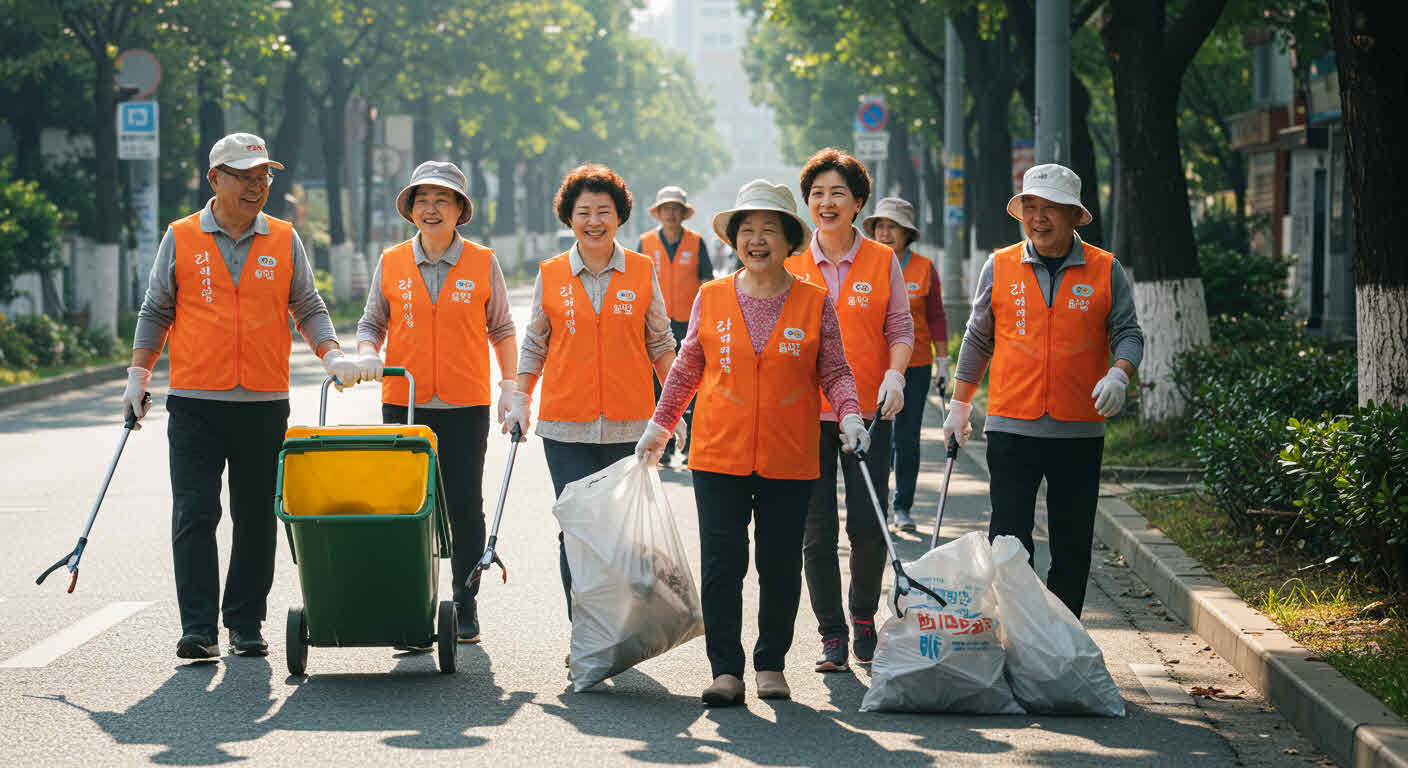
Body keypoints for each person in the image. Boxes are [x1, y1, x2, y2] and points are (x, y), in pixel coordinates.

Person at [124, 133, 356, 660]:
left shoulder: (282, 237)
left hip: (262, 402)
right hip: (195, 401)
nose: (258, 186)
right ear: (215, 179)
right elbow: (157, 309)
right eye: (247, 176)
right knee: (195, 512)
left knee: (255, 516)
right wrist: (138, 375)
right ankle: (200, 627)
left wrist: (332, 355)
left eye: (264, 176)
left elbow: (308, 307)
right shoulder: (181, 237)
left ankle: (246, 623)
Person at [637, 180, 866, 706]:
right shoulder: (711, 296)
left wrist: (850, 414)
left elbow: (834, 368)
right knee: (722, 564)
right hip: (719, 453)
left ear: (789, 241)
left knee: (780, 563)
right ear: (734, 240)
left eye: (769, 230)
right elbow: (687, 366)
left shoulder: (813, 301)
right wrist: (660, 426)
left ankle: (771, 663)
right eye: (747, 231)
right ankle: (726, 669)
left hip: (790, 455)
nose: (756, 240)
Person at [945, 163, 1144, 618]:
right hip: (1012, 426)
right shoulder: (999, 264)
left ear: (1075, 215)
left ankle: (1063, 641)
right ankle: (1020, 638)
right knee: (1010, 545)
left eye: (1051, 208)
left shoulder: (1104, 269)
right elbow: (978, 337)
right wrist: (960, 404)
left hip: (1078, 430)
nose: (1039, 217)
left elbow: (1128, 332)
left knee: (1072, 546)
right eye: (1030, 206)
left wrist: (1119, 373)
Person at [503, 163, 680, 628]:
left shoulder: (642, 271)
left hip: (631, 426)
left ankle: (621, 630)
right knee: (577, 533)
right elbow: (535, 342)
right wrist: (521, 397)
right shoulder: (552, 272)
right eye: (584, 211)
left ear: (620, 215)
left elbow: (661, 342)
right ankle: (585, 632)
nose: (594, 220)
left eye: (604, 210)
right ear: (569, 217)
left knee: (624, 535)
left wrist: (676, 408)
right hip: (565, 426)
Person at [352, 161, 517, 646]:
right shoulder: (392, 261)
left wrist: (511, 385)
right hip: (403, 402)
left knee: (465, 505)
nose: (431, 208)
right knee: (407, 508)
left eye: (442, 200)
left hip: (465, 403)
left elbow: (503, 327)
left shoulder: (484, 262)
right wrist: (366, 354)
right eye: (422, 200)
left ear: (460, 209)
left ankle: (464, 605)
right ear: (410, 209)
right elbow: (371, 324)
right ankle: (412, 609)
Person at [784, 148, 914, 672]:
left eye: (838, 193)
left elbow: (900, 327)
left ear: (859, 202)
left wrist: (895, 373)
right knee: (815, 529)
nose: (826, 202)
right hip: (804, 413)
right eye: (817, 194)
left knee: (867, 523)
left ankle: (862, 615)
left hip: (868, 411)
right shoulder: (791, 262)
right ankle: (831, 634)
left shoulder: (882, 260)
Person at [862, 198, 948, 533]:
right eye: (880, 226)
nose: (885, 233)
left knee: (907, 437)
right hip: (874, 364)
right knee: (878, 434)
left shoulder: (924, 268)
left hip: (916, 365)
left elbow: (937, 317)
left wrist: (943, 361)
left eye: (892, 227)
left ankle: (903, 506)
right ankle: (875, 505)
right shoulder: (867, 266)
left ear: (906, 234)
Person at [637, 186, 713, 465]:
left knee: (690, 384)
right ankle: (665, 447)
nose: (671, 214)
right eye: (666, 209)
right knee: (659, 387)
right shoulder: (645, 243)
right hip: (655, 327)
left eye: (676, 209)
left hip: (689, 326)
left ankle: (691, 443)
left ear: (683, 213)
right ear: (659, 213)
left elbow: (707, 281)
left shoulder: (696, 242)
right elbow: (635, 283)